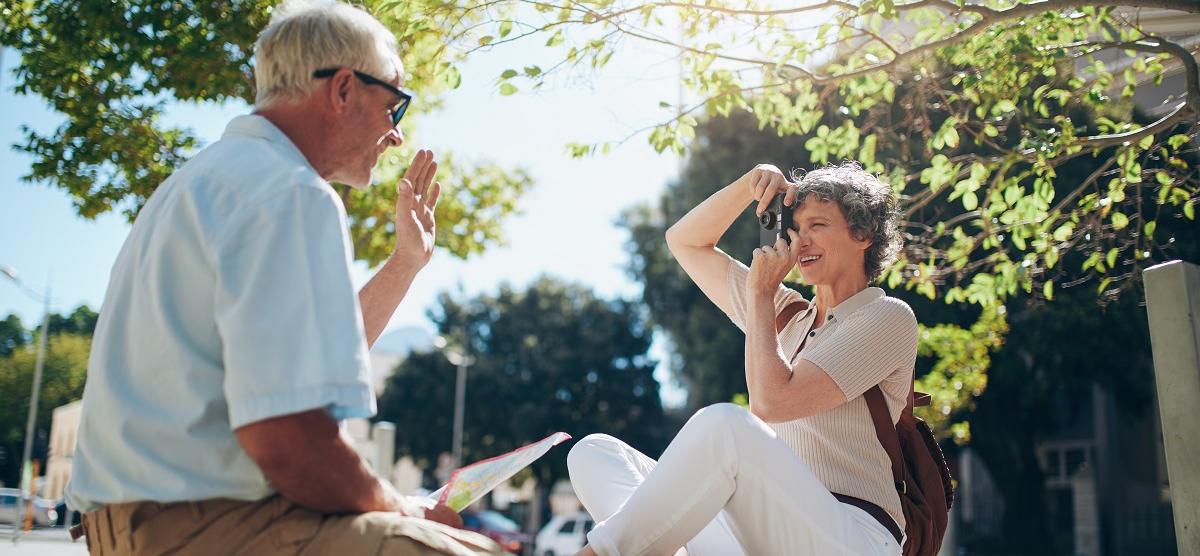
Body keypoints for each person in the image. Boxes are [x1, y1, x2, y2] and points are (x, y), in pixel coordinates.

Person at [64, 2, 502, 554]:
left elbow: (304, 364)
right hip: (204, 526)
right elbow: (290, 442)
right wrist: (405, 508)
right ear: (343, 89)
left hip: (130, 527)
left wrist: (405, 263)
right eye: (395, 106)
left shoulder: (207, 179)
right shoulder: (291, 193)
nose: (395, 136)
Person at [567, 162, 915, 556]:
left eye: (817, 225)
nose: (801, 242)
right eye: (795, 229)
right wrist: (750, 183)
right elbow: (685, 242)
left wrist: (762, 295)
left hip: (854, 535)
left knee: (726, 425)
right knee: (594, 454)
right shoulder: (784, 313)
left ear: (863, 234)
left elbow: (771, 404)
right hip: (760, 533)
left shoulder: (886, 317)